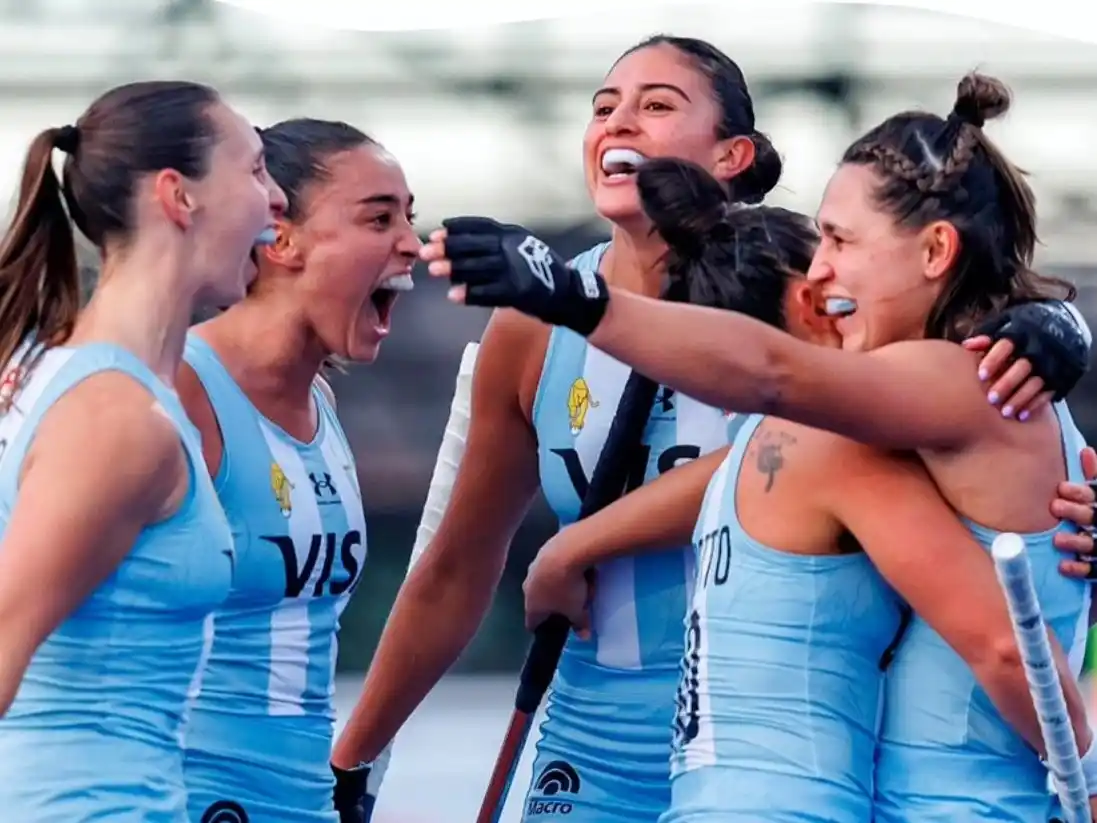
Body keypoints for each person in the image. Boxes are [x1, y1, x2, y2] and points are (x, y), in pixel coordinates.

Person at [337, 41, 1080, 823]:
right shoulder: (532, 331)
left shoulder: (804, 296)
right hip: (597, 750)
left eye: (656, 105)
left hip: (799, 781)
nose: (618, 121)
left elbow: (787, 391)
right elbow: (456, 564)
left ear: (732, 155)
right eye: (602, 105)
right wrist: (349, 761)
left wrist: (1055, 322)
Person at [516, 157, 1095, 823]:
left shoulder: (760, 452)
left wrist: (569, 547)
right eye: (826, 246)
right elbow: (1004, 643)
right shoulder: (836, 444)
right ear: (810, 304)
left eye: (841, 243)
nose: (829, 266)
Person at [0, 81, 282, 822]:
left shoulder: (76, 377)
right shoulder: (118, 419)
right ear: (178, 197)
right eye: (254, 170)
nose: (276, 198)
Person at [177, 118, 419, 823]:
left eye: (410, 215)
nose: (409, 241)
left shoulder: (319, 397)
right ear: (279, 236)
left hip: (307, 799)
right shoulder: (177, 393)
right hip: (187, 796)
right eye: (379, 217)